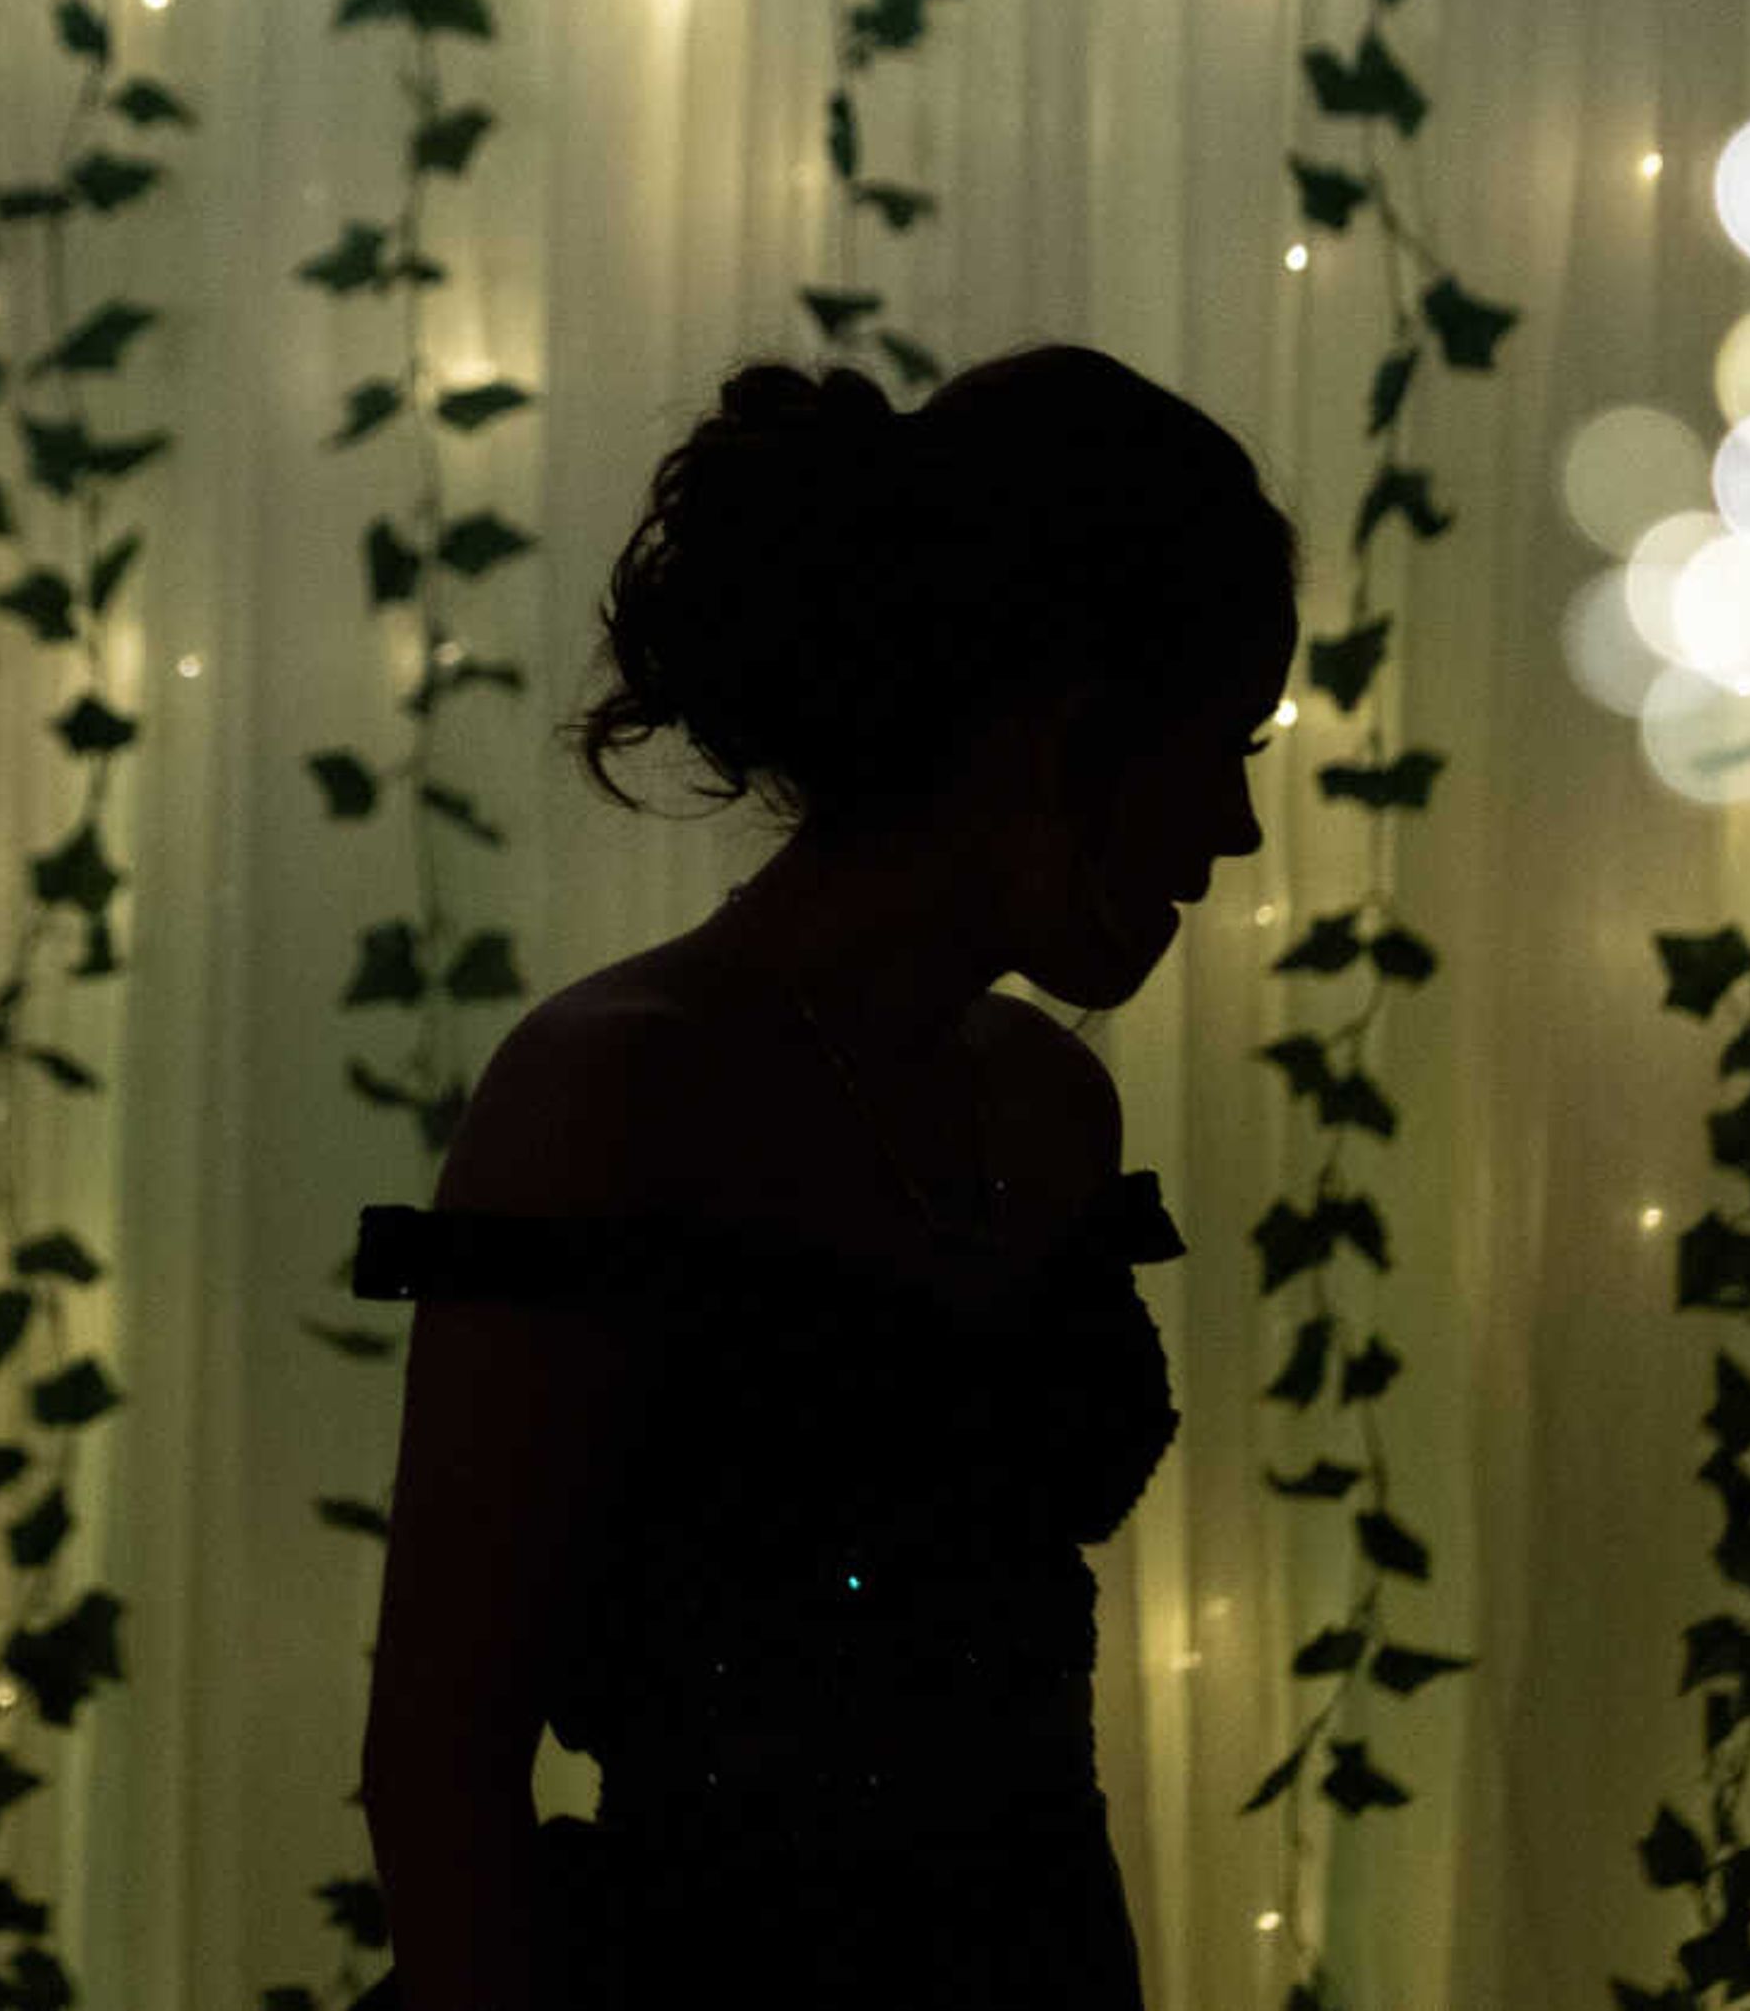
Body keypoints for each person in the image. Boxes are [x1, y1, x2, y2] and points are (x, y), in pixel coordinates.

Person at [348, 341, 1301, 2009]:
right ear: (1059, 734)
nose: (1235, 830)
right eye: (1218, 744)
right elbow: (443, 1764)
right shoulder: (614, 1092)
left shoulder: (1053, 1107)